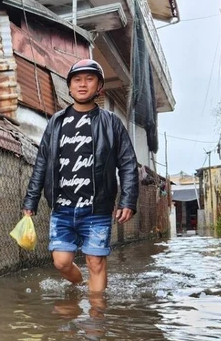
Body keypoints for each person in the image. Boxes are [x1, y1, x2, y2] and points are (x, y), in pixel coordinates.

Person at [22, 58, 138, 293]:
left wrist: (128, 200)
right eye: (77, 80)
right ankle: (81, 286)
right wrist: (30, 200)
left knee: (95, 262)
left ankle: (96, 320)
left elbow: (127, 163)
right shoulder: (56, 122)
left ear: (99, 87)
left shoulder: (111, 123)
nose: (82, 84)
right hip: (62, 208)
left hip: (97, 209)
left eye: (89, 79)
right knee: (61, 262)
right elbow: (42, 162)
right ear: (70, 86)